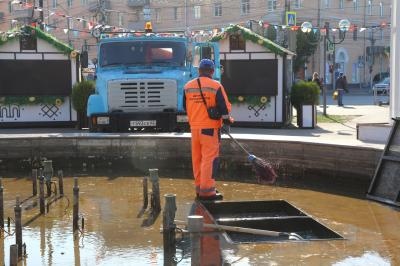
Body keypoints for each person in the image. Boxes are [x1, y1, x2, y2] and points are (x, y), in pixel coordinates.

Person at [183, 59, 232, 201]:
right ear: (212, 71)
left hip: (195, 129)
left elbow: (186, 107)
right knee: (209, 159)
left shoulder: (187, 86)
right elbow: (224, 108)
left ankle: (199, 188)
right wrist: (226, 122)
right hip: (210, 129)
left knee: (197, 159)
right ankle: (207, 191)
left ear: (199, 71)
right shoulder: (216, 86)